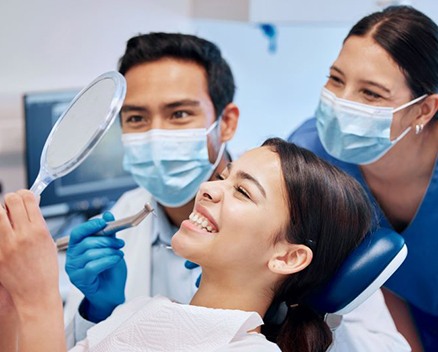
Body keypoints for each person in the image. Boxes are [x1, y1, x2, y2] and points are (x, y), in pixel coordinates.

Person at [63, 32, 410, 351]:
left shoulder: (303, 213)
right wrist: (99, 310)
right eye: (137, 118)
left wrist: (309, 310)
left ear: (226, 121)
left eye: (179, 113)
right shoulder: (124, 219)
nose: (156, 134)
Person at [1, 138, 375, 351]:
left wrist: (37, 298)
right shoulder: (143, 311)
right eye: (223, 178)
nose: (208, 188)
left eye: (242, 191)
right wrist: (9, 298)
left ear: (288, 256)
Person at [288, 5, 438, 351]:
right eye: (336, 79)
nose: (342, 103)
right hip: (390, 323)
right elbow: (369, 277)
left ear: (424, 109)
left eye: (371, 93)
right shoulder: (313, 156)